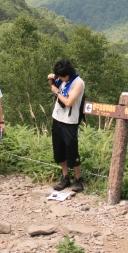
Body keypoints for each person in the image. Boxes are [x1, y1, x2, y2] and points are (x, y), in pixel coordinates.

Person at [48, 59, 86, 192]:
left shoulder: (78, 83)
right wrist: (51, 80)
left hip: (70, 122)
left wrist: (56, 92)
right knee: (59, 151)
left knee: (72, 151)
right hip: (57, 118)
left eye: (61, 76)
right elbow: (54, 86)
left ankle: (79, 180)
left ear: (68, 74)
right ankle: (65, 177)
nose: (59, 78)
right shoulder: (61, 80)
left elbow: (69, 102)